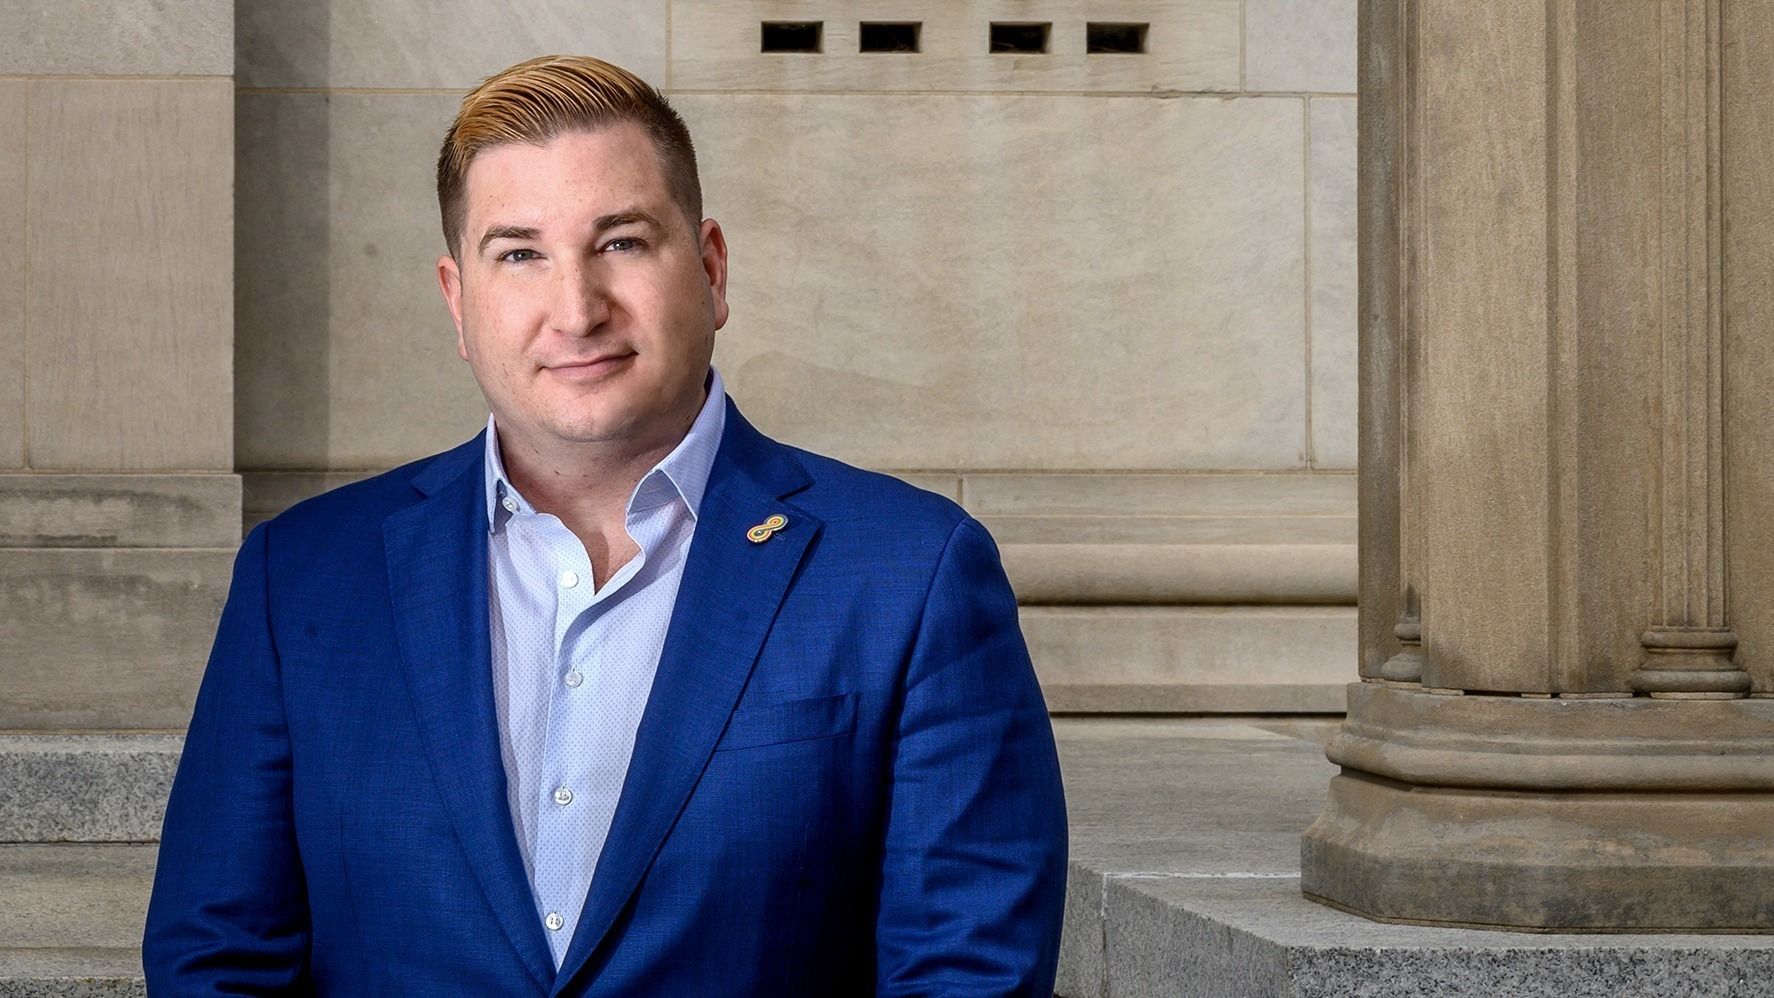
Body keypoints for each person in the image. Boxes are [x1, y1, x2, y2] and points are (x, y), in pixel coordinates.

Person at [143, 54, 1067, 995]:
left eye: (621, 242)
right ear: (458, 301)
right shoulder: (300, 580)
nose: (577, 310)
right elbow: (217, 961)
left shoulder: (908, 573)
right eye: (519, 254)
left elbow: (968, 974)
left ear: (709, 270)